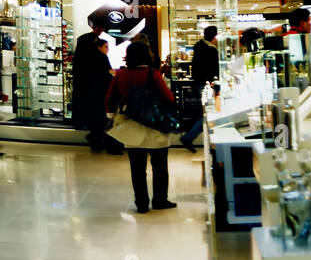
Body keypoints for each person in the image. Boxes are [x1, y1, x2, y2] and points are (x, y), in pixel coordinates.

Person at [105, 39, 177, 213]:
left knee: (137, 169)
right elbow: (168, 98)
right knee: (159, 167)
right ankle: (160, 200)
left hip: (131, 126)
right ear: (148, 55)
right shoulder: (153, 74)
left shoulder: (121, 74)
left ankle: (141, 203)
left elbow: (109, 99)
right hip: (155, 126)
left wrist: (112, 117)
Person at [72, 15, 116, 152]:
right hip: (95, 85)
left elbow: (78, 63)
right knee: (99, 113)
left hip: (88, 84)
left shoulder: (84, 40)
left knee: (95, 113)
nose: (100, 31)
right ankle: (98, 139)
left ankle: (96, 138)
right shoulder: (94, 47)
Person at [180, 25, 219, 151]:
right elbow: (215, 68)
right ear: (214, 36)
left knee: (205, 113)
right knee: (208, 114)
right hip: (206, 84)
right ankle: (189, 137)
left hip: (198, 83)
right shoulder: (211, 50)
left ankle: (193, 138)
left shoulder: (198, 47)